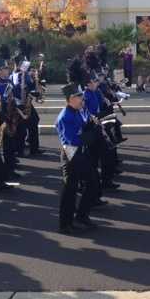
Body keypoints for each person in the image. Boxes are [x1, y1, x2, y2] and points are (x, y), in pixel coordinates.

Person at [55, 84, 100, 234]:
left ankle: (81, 216)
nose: (82, 99)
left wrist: (91, 124)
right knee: (70, 190)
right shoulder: (65, 116)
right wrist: (92, 134)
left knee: (92, 182)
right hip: (70, 155)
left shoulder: (76, 111)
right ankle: (65, 224)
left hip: (78, 152)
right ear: (71, 99)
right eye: (79, 96)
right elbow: (73, 140)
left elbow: (82, 128)